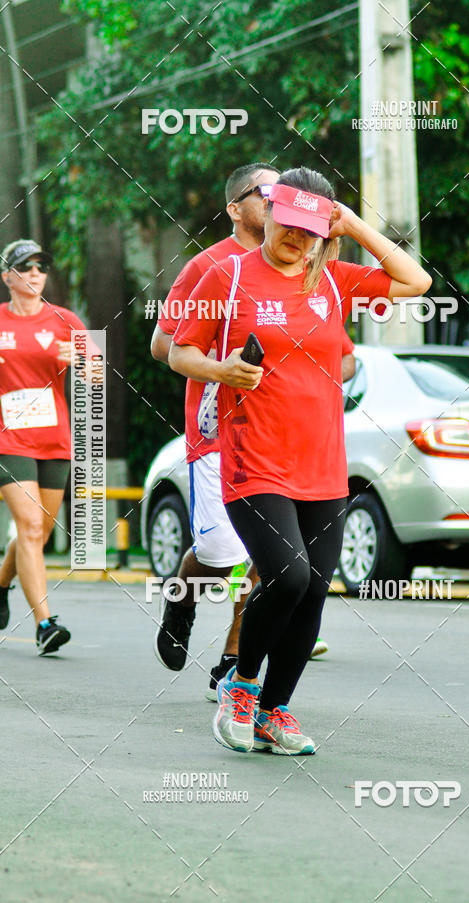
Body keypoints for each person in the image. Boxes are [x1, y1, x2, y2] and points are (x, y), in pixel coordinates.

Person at [169, 166, 432, 755]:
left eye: (309, 228)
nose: (295, 237)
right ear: (269, 213)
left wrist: (355, 225)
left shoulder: (334, 279)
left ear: (323, 229)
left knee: (314, 590)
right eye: (287, 223)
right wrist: (222, 370)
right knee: (285, 577)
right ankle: (239, 685)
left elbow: (416, 281)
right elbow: (180, 352)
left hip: (322, 463)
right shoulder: (227, 276)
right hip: (251, 458)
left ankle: (274, 711)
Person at [151, 163, 279, 694]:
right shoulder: (208, 267)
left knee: (271, 555)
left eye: (284, 191)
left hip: (276, 433)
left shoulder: (295, 264)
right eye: (264, 192)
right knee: (222, 555)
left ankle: (233, 659)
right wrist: (222, 367)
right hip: (217, 431)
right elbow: (163, 347)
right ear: (235, 208)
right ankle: (182, 594)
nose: (277, 200)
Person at [0, 240, 91, 653]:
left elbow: (98, 379)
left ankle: (1, 582)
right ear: (8, 278)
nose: (36, 273)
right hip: (8, 438)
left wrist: (81, 362)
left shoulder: (65, 320)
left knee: (35, 531)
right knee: (31, 527)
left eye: (41, 267)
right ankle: (45, 624)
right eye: (25, 267)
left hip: (53, 441)